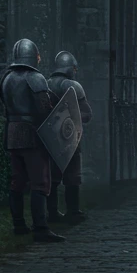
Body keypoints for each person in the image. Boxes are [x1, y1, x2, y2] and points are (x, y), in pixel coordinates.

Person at [0, 39, 65, 244]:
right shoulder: (35, 77)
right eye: (37, 56)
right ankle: (40, 228)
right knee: (40, 181)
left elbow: (2, 106)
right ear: (33, 56)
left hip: (12, 131)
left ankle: (19, 224)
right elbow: (44, 109)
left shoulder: (6, 78)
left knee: (17, 181)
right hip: (31, 134)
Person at [46, 50, 93, 224]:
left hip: (50, 138)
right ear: (72, 68)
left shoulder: (44, 84)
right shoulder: (73, 86)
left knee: (53, 177)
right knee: (71, 176)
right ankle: (71, 212)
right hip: (69, 137)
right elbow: (86, 114)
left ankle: (53, 213)